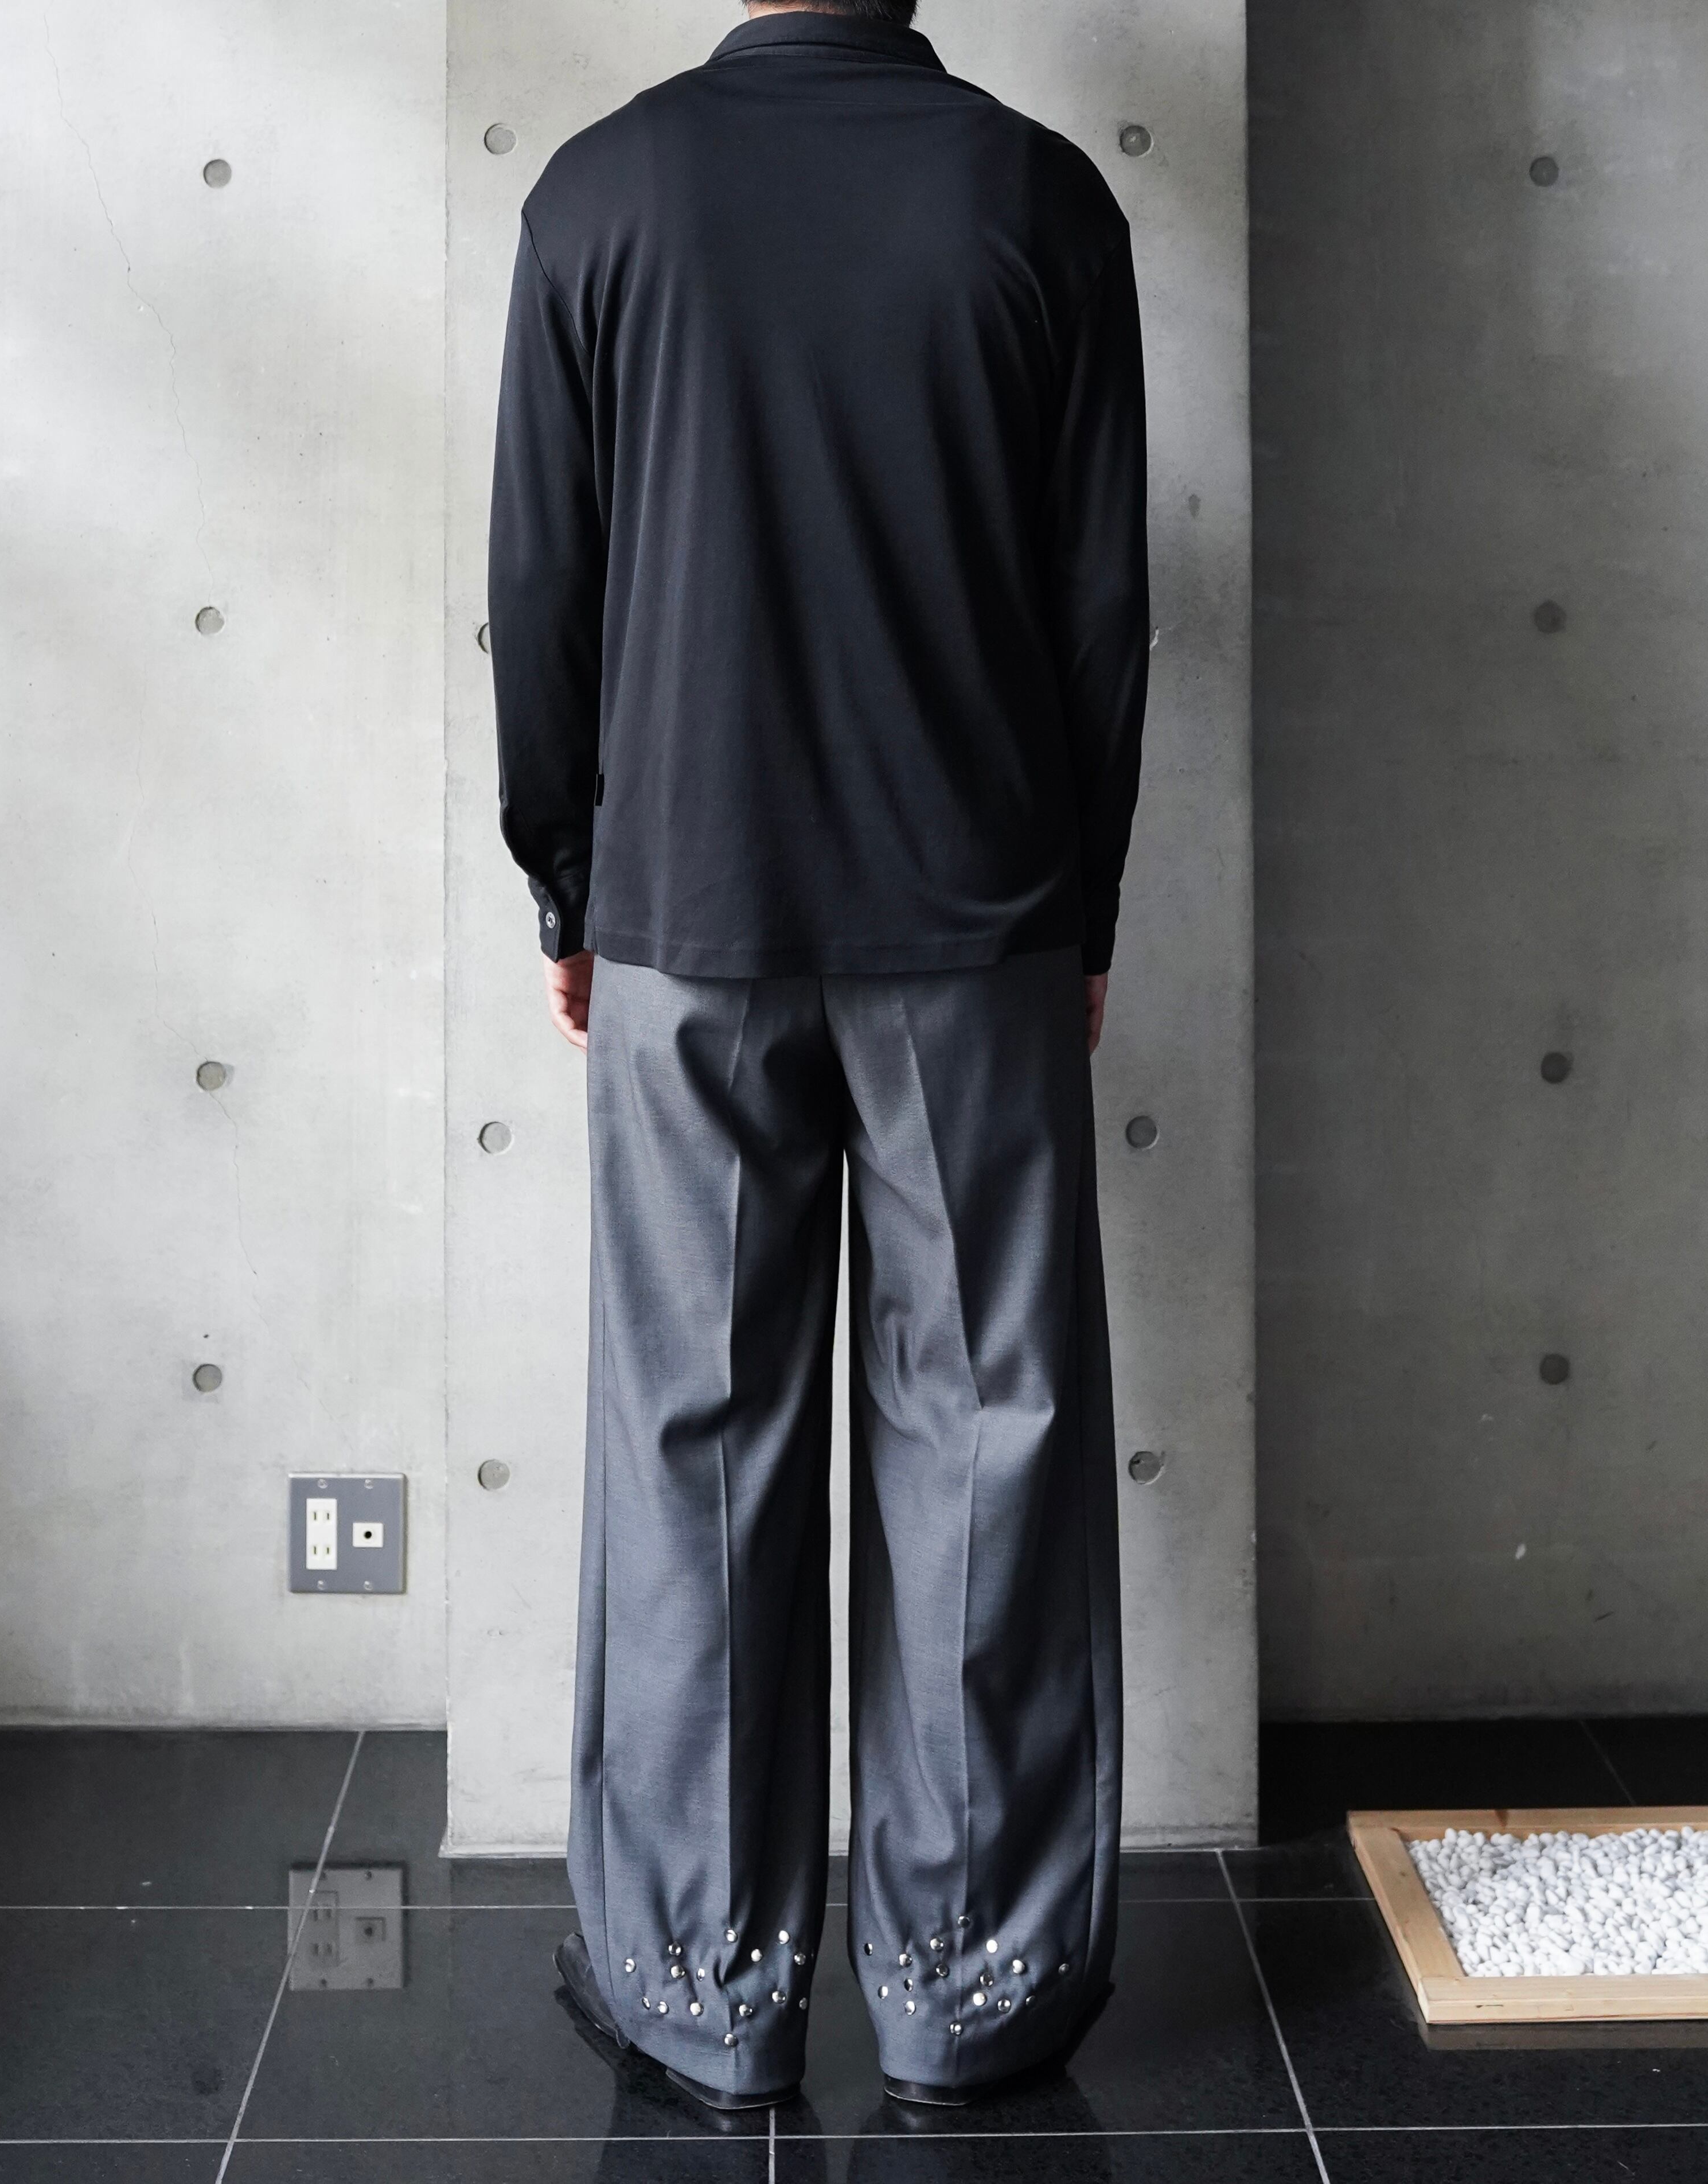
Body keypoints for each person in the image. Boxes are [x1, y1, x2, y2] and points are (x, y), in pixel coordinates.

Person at [488, 0, 1150, 2116]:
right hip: (974, 925)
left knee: (696, 1436)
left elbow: (542, 586)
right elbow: (1100, 608)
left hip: (688, 917)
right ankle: (970, 1995)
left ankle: (707, 1989)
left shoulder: (602, 193)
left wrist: (571, 887)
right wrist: (1082, 917)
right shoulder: (1040, 199)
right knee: (988, 1441)